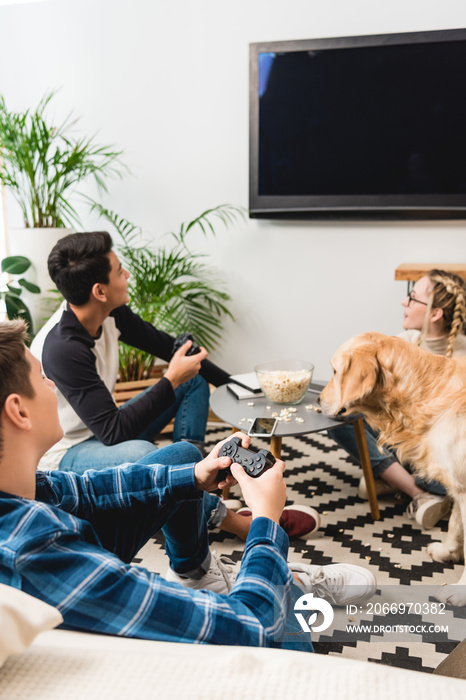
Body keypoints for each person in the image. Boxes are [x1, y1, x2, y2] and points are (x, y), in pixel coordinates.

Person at [0, 320, 376, 649]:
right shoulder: (36, 552)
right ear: (18, 410)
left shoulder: (20, 490)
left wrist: (196, 476)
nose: (52, 383)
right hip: (157, 640)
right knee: (285, 632)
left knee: (181, 456)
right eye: (41, 377)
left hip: (75, 558)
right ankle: (288, 581)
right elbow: (251, 626)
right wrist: (266, 522)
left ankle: (201, 575)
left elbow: (87, 489)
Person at [30, 231, 318, 541]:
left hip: (99, 429)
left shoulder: (110, 314)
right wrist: (170, 379)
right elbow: (113, 432)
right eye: (119, 271)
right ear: (100, 290)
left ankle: (202, 486)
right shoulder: (63, 348)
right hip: (64, 451)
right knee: (143, 451)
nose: (126, 274)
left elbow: (172, 350)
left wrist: (243, 389)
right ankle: (226, 519)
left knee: (192, 380)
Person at [330, 269, 466, 529]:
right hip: (405, 442)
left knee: (442, 476)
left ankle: (392, 478)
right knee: (339, 415)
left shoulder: (462, 357)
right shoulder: (403, 344)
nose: (404, 302)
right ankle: (415, 490)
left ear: (435, 314)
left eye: (413, 298)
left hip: (443, 453)